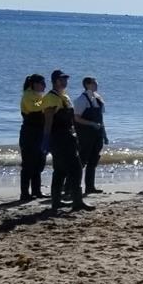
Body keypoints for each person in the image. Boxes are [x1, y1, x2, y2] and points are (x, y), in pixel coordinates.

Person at [42, 69, 93, 213]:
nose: (65, 82)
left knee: (60, 170)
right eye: (62, 79)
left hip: (68, 137)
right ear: (55, 81)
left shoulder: (64, 96)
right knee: (75, 169)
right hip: (59, 138)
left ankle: (56, 201)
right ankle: (77, 201)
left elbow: (71, 119)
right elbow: (48, 121)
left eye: (65, 79)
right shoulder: (50, 98)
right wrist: (46, 140)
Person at [73, 76, 107, 194]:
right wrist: (91, 123)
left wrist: (104, 134)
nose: (96, 85)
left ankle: (90, 187)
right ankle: (71, 186)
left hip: (97, 134)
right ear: (87, 84)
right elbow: (76, 118)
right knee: (82, 161)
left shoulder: (98, 98)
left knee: (93, 161)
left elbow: (101, 118)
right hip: (85, 135)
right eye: (94, 83)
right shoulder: (81, 100)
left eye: (96, 83)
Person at [19, 74, 47, 201]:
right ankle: (24, 193)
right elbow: (34, 107)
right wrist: (46, 101)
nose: (44, 86)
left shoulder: (40, 96)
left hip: (40, 132)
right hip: (29, 133)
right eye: (42, 83)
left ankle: (37, 191)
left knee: (39, 163)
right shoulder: (27, 95)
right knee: (28, 164)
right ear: (34, 84)